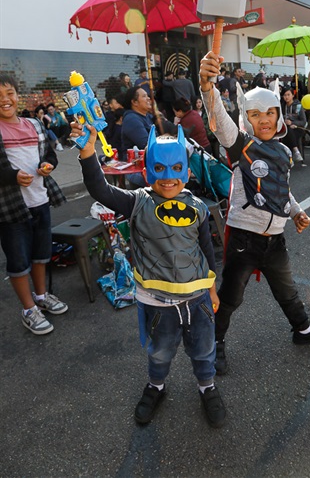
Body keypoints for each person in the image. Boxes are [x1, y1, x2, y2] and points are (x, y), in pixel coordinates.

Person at [70, 120, 226, 428]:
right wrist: (88, 154)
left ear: (188, 171)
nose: (168, 178)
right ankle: (156, 386)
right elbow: (99, 189)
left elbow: (208, 252)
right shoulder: (137, 202)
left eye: (176, 168)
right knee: (159, 352)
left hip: (197, 300)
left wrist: (212, 289)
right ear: (148, 169)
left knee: (204, 350)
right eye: (160, 169)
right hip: (157, 301)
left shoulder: (198, 208)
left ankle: (207, 387)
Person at [199, 52, 310, 376]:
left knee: (287, 291)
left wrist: (297, 212)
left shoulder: (284, 151)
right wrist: (208, 88)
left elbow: (281, 190)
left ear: (279, 117)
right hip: (244, 242)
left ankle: (302, 330)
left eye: (270, 112)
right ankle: (214, 344)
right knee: (230, 297)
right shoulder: (241, 145)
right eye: (255, 113)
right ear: (246, 118)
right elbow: (219, 119)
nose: (264, 119)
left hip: (275, 240)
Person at [0, 74, 67, 335]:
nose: (5, 100)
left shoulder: (34, 124)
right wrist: (12, 176)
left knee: (41, 255)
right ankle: (28, 309)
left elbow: (49, 152)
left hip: (40, 200)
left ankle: (41, 296)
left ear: (18, 95)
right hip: (10, 208)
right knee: (18, 262)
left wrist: (48, 164)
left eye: (9, 94)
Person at [281, 88, 307, 164]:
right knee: (288, 131)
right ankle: (295, 151)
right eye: (285, 95)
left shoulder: (298, 106)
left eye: (288, 95)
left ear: (293, 95)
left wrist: (293, 123)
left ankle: (290, 157)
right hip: (286, 129)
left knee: (289, 131)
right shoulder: (282, 107)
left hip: (298, 128)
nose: (286, 97)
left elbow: (303, 121)